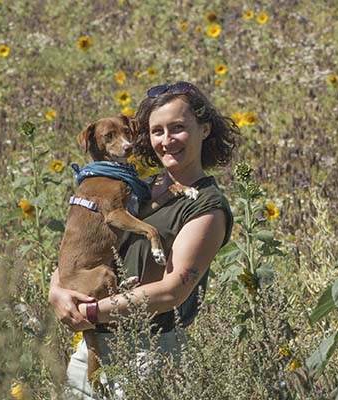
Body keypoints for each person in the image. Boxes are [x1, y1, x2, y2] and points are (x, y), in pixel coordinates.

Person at [48, 81, 239, 398]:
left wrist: (91, 311)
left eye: (178, 128)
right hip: (93, 348)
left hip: (146, 355)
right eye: (157, 131)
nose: (166, 140)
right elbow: (80, 248)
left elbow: (172, 291)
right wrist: (57, 291)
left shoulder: (207, 207)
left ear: (204, 129)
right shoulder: (134, 188)